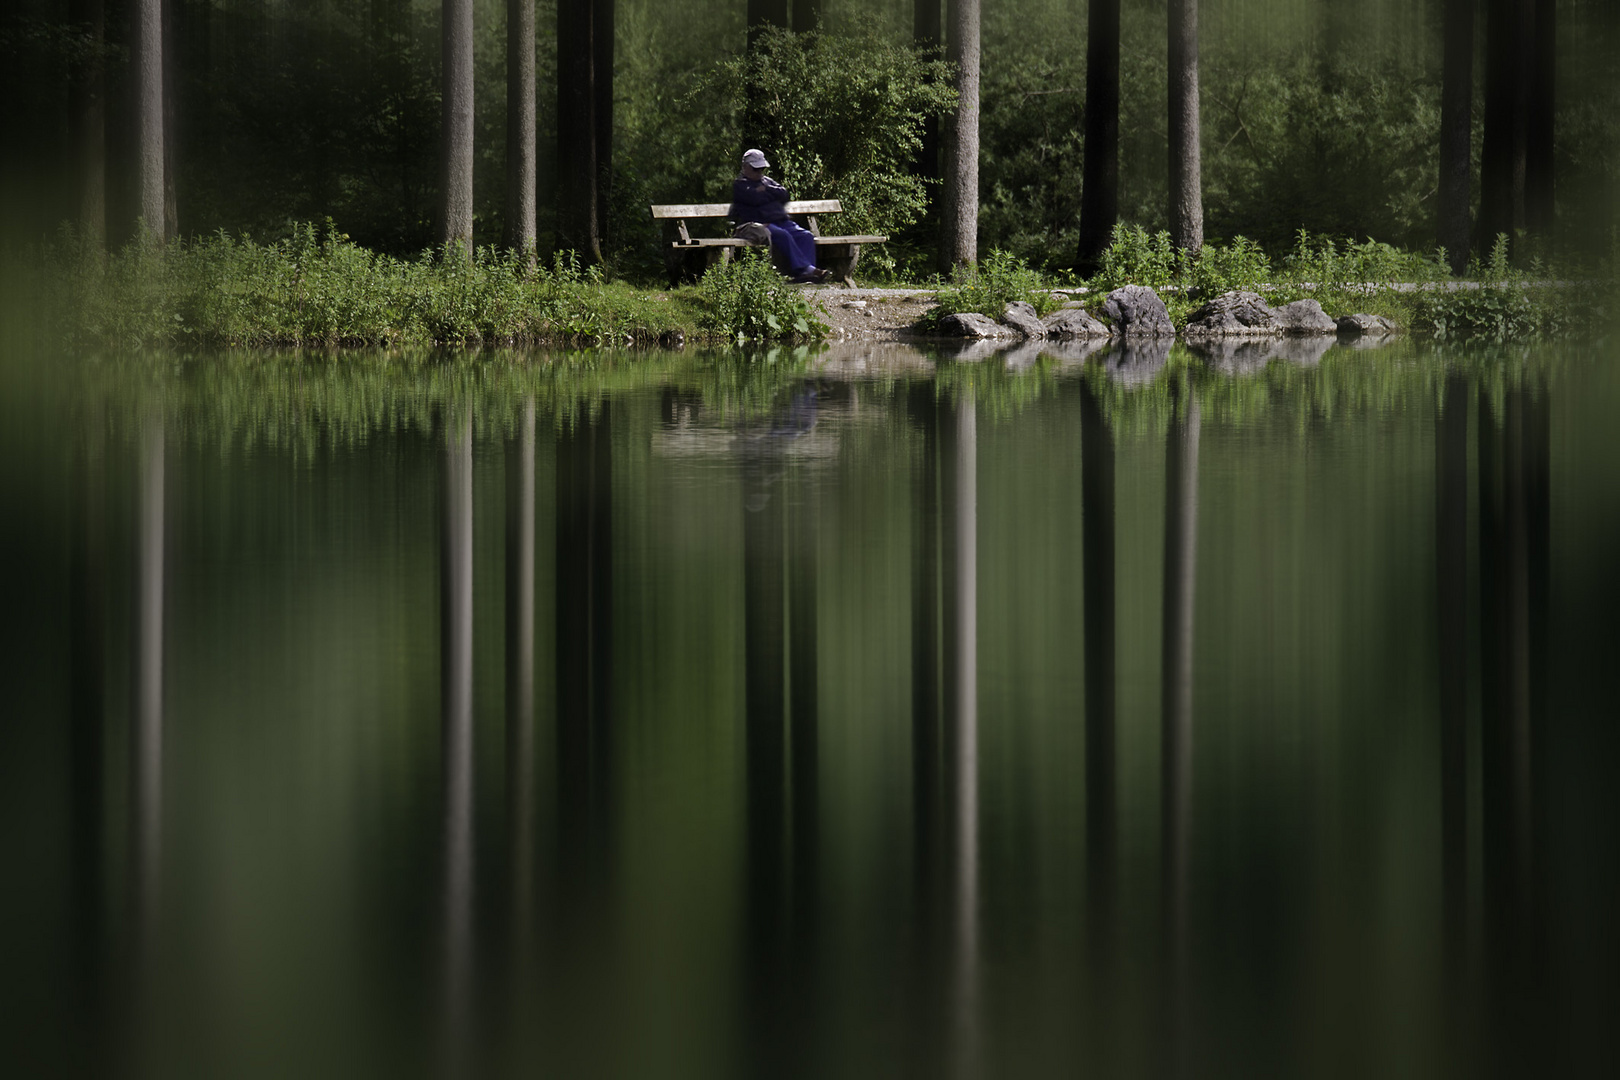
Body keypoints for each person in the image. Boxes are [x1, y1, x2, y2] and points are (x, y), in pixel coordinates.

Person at [728, 149, 829, 284]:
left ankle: (805, 273)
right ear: (745, 167)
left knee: (806, 236)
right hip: (758, 224)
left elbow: (784, 194)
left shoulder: (767, 182)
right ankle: (808, 270)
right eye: (755, 169)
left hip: (781, 221)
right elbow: (753, 198)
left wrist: (766, 191)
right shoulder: (740, 184)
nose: (759, 173)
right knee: (783, 235)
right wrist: (768, 195)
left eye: (761, 169)